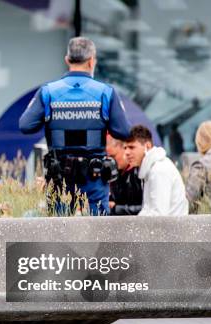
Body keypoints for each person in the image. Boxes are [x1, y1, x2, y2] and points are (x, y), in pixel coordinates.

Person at [19, 37, 131, 215]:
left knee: (61, 234)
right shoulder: (106, 93)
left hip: (60, 177)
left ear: (67, 60)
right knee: (98, 234)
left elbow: (26, 125)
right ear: (92, 60)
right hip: (94, 178)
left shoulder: (48, 92)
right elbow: (124, 131)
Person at [124, 125, 188, 216]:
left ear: (148, 146)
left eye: (132, 147)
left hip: (170, 229)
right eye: (125, 148)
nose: (126, 152)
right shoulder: (152, 168)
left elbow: (158, 216)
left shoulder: (158, 170)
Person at [106, 134, 143, 215]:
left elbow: (145, 208)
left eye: (113, 156)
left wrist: (117, 208)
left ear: (124, 149)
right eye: (108, 158)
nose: (111, 161)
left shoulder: (139, 172)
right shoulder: (117, 173)